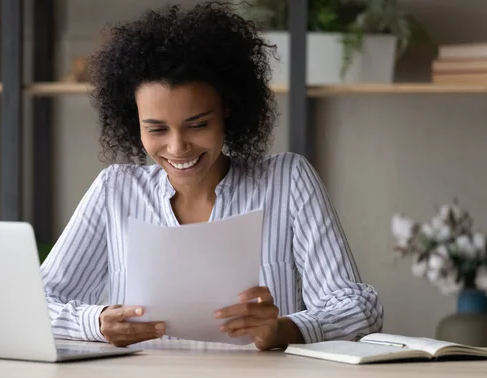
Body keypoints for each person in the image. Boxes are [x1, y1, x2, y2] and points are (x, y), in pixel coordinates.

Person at [40, 1, 383, 351]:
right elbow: (36, 303)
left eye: (197, 125)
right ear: (134, 122)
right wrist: (96, 323)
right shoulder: (115, 191)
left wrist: (284, 330)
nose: (177, 148)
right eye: (156, 129)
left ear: (228, 109)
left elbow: (359, 308)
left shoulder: (287, 181)